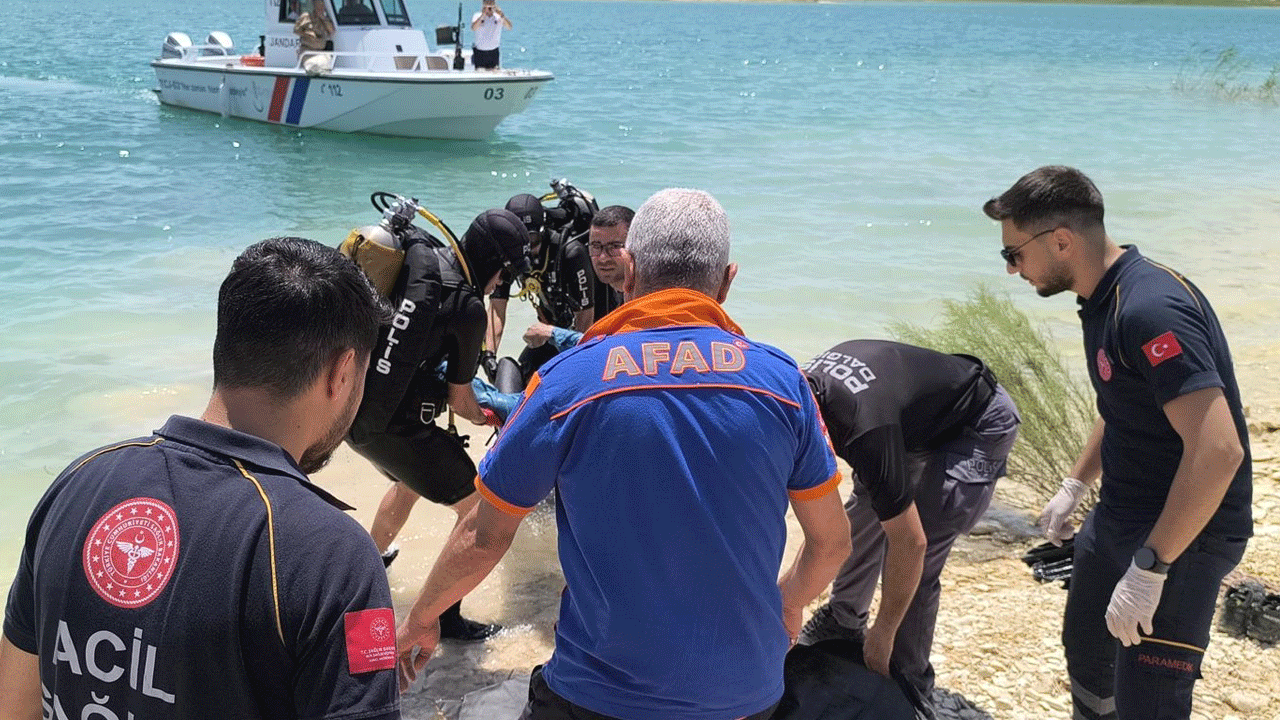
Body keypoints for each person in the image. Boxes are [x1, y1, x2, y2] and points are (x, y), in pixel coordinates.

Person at [394, 188, 852, 719]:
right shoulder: (782, 384)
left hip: (598, 698)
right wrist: (789, 604)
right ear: (727, 282)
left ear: (629, 271)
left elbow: (483, 535)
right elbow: (831, 543)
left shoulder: (569, 382)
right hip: (745, 699)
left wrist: (421, 618)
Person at [0, 238, 399, 719]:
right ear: (342, 372)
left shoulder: (76, 486)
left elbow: (14, 702)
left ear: (226, 345)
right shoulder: (331, 557)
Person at [983, 166, 1251, 720]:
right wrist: (1075, 483)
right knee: (1087, 654)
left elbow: (1219, 451)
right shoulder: (1102, 298)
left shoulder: (1148, 309)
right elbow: (1125, 402)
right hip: (1121, 515)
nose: (1012, 270)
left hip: (1186, 532)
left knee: (1148, 700)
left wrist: (1152, 566)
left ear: (1060, 239)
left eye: (1013, 254)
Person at [342, 203, 531, 643]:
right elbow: (461, 400)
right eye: (506, 274)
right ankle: (443, 617)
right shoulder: (467, 308)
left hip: (358, 414)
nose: (503, 283)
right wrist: (496, 416)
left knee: (411, 482)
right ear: (496, 266)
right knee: (479, 510)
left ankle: (366, 564)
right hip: (397, 429)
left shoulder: (425, 262)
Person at [797, 340, 1020, 711]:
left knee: (922, 544)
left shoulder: (862, 426)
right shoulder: (797, 395)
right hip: (911, 422)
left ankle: (908, 677)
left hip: (978, 420)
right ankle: (843, 621)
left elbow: (911, 544)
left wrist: (883, 633)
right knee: (867, 508)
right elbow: (824, 528)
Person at [484, 189, 597, 385]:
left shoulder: (570, 253)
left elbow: (586, 319)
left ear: (544, 233)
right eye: (520, 241)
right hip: (550, 332)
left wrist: (570, 369)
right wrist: (488, 355)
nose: (526, 250)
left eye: (533, 240)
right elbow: (496, 308)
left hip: (589, 336)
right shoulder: (511, 254)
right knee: (515, 376)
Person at [522, 204, 633, 352]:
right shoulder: (623, 291)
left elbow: (627, 348)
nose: (603, 257)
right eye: (596, 246)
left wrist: (554, 334)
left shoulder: (648, 290)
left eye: (614, 246)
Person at [470, 0, 511, 70]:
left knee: (494, 73)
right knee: (480, 74)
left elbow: (509, 27)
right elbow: (473, 28)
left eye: (491, 3)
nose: (489, 5)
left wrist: (502, 15)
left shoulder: (498, 17)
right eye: (487, 3)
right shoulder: (477, 16)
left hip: (493, 53)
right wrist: (483, 15)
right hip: (480, 53)